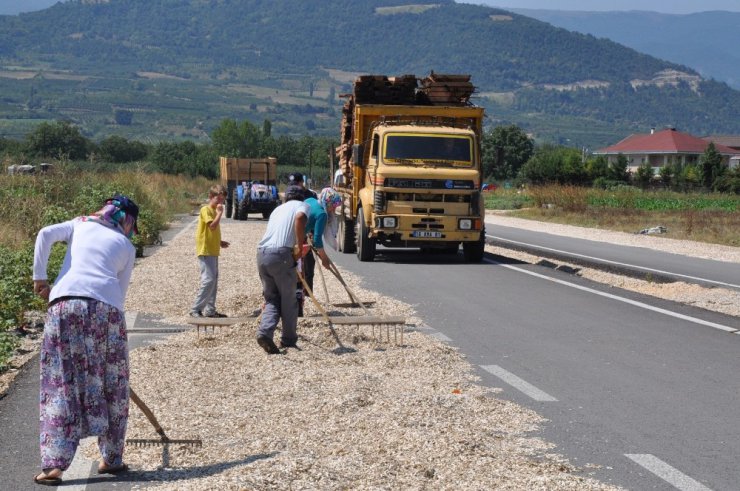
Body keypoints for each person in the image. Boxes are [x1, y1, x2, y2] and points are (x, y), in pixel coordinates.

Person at [31, 194, 140, 486]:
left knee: (61, 382)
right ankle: (112, 458)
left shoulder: (79, 224)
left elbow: (45, 234)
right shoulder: (127, 246)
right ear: (128, 222)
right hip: (107, 311)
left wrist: (40, 278)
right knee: (113, 383)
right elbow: (120, 291)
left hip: (64, 305)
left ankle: (54, 466)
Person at [255, 185, 309, 353]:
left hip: (262, 254)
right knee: (288, 299)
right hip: (281, 255)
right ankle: (288, 339)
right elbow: (300, 218)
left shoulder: (277, 209)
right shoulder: (302, 206)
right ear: (302, 197)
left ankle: (265, 332)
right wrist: (300, 247)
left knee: (272, 298)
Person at [190, 184, 230, 318]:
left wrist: (219, 242)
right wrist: (219, 213)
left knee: (214, 280)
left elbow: (212, 231)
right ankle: (196, 308)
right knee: (208, 279)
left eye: (222, 200)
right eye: (218, 200)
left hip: (213, 250)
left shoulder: (214, 211)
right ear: (210, 197)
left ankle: (210, 310)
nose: (220, 203)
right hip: (205, 250)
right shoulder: (205, 210)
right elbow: (212, 226)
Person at [300, 187, 343, 300]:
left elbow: (306, 218)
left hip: (296, 234)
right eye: (333, 206)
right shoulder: (322, 214)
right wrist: (324, 259)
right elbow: (317, 240)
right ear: (327, 202)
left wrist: (308, 232)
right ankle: (303, 297)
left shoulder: (310, 200)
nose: (333, 209)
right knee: (300, 269)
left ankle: (303, 296)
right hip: (296, 238)